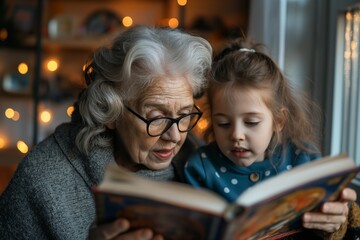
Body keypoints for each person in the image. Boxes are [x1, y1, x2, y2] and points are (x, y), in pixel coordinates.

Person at [0, 25, 212, 239]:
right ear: (111, 111)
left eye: (185, 115)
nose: (175, 136)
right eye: (156, 118)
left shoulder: (199, 158)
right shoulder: (43, 180)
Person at [184, 40, 360, 239]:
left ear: (278, 121)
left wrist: (334, 220)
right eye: (223, 123)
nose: (236, 135)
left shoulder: (303, 159)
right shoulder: (201, 166)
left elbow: (329, 220)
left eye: (251, 122)